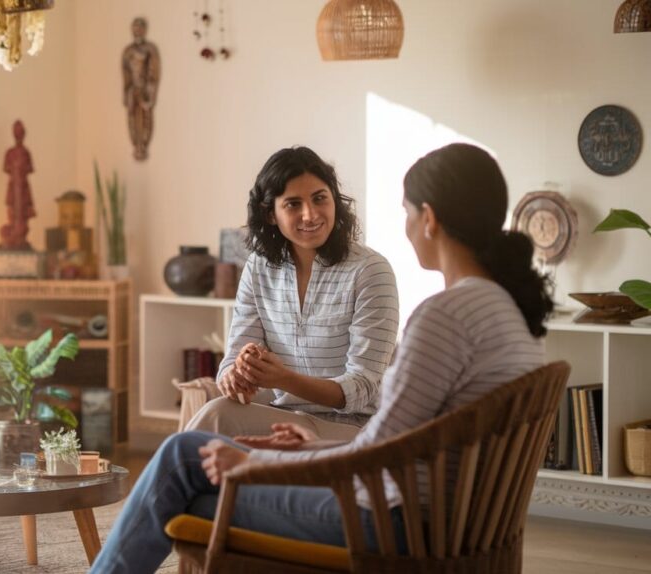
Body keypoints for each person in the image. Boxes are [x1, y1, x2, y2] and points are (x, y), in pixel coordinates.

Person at [89, 143, 554, 574]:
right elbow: (397, 441)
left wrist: (256, 464)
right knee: (188, 466)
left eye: (407, 213)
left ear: (428, 218)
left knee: (183, 479)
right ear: (271, 213)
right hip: (435, 516)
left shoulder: (443, 316)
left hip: (392, 522)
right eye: (293, 204)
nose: (407, 226)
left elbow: (377, 447)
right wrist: (299, 447)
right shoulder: (504, 308)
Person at [185, 146, 399, 442]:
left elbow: (362, 389)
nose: (310, 214)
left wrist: (284, 379)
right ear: (270, 214)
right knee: (218, 412)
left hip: (353, 430)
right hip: (284, 417)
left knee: (211, 423)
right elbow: (231, 360)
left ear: (334, 199)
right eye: (293, 204)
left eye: (319, 198)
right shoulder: (258, 269)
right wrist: (235, 377)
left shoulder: (371, 271)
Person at [122, 17, 160, 161]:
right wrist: (126, 92)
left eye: (139, 27)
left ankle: (143, 144)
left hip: (144, 89)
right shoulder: (128, 51)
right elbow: (125, 73)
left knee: (145, 116)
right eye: (134, 27)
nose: (137, 30)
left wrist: (151, 93)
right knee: (132, 117)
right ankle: (136, 143)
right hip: (132, 89)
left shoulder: (150, 49)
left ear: (144, 30)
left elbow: (154, 73)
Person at [0, 119, 37, 250]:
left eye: (20, 132)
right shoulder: (9, 152)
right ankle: (13, 236)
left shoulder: (26, 152)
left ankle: (20, 237)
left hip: (23, 187)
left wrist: (20, 169)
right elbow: (6, 168)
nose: (19, 134)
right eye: (17, 132)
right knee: (12, 211)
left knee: (24, 212)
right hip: (13, 186)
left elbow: (30, 168)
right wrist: (15, 169)